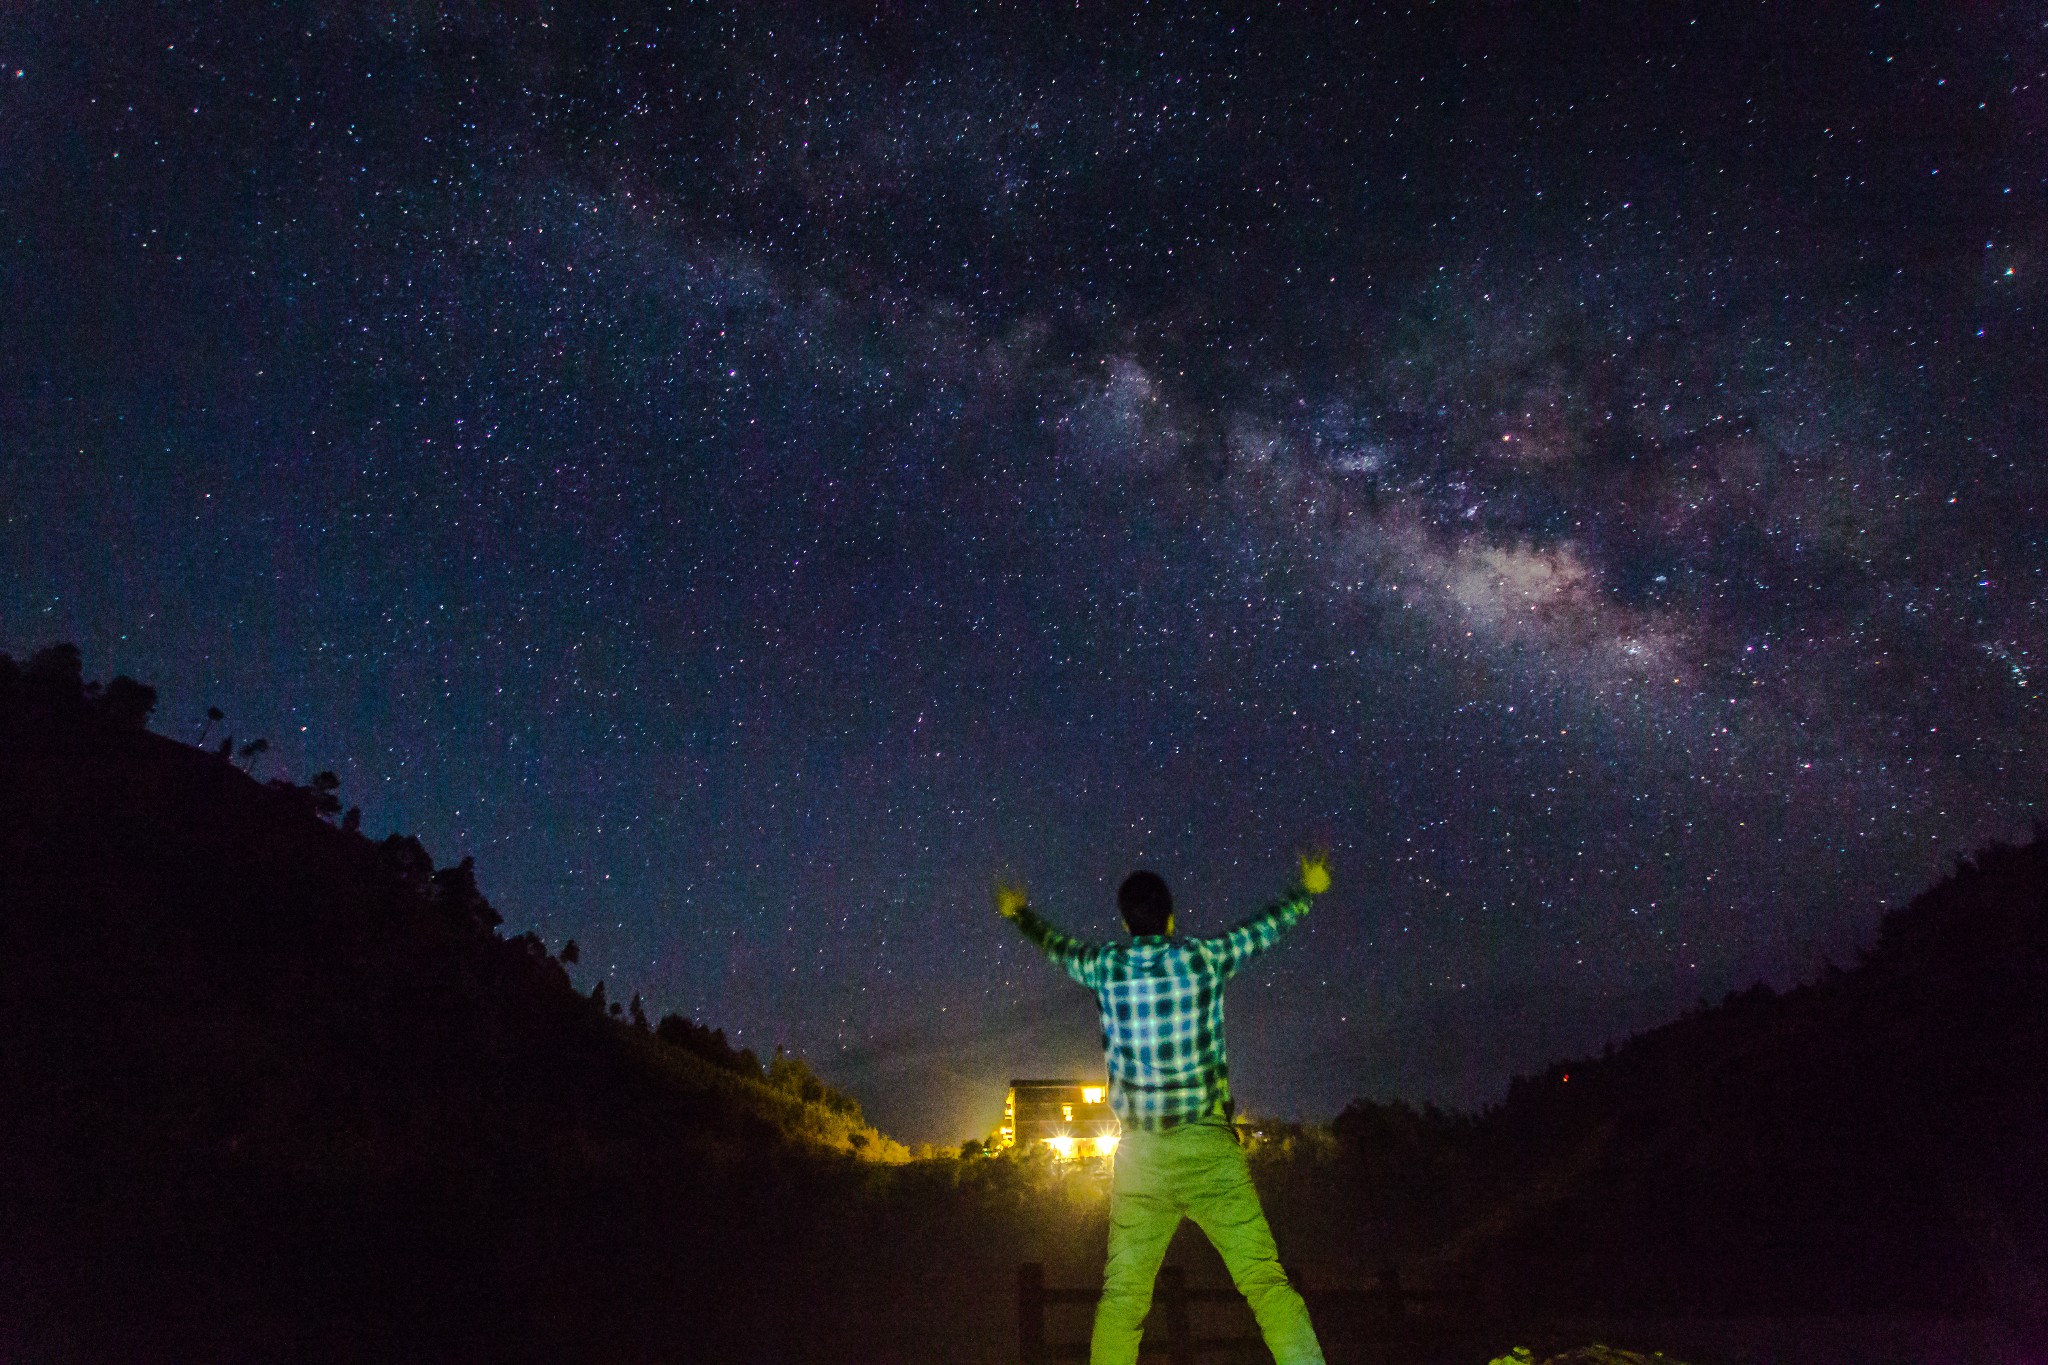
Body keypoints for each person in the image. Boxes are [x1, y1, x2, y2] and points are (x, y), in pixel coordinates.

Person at [994, 854, 1332, 1365]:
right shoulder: (1203, 959)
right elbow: (1263, 930)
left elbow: (1056, 947)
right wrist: (1306, 892)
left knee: (1124, 1298)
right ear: (1171, 918)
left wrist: (1020, 914)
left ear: (1125, 924)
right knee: (1264, 1283)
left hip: (1141, 1158)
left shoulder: (1107, 965)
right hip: (1209, 1148)